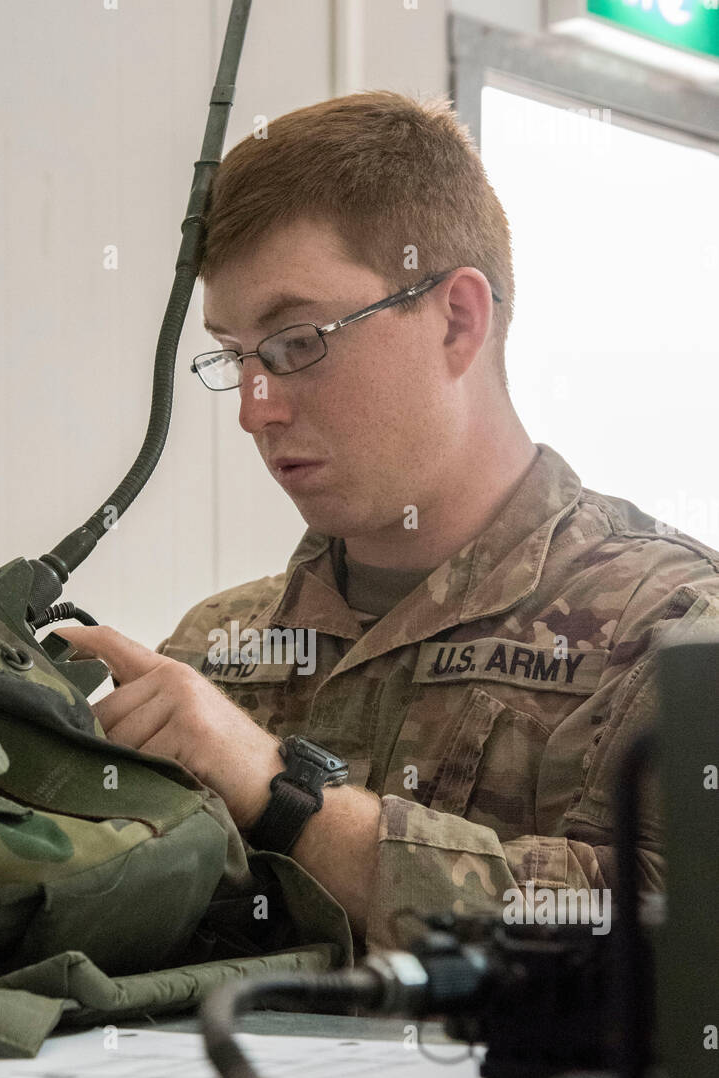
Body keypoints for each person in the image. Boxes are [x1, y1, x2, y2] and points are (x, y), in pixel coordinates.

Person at [58, 91, 719, 956]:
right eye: (232, 357)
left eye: (296, 343)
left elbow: (674, 926)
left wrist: (286, 798)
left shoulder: (673, 632)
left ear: (457, 319)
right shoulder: (218, 648)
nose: (255, 411)